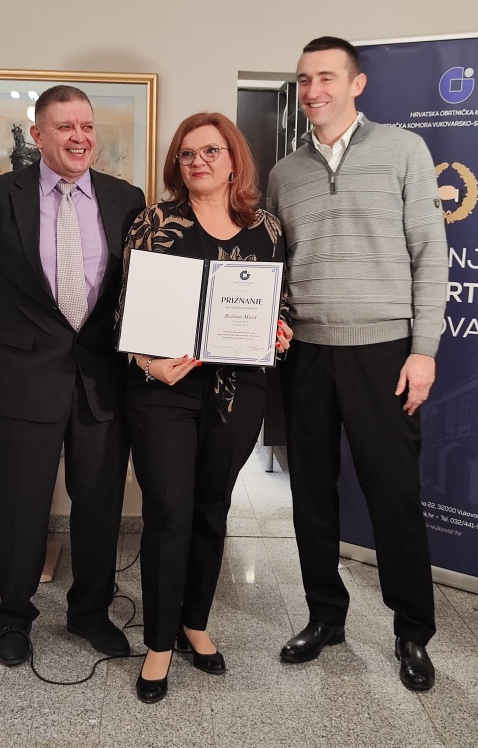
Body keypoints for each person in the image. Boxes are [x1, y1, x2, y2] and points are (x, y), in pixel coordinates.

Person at [0, 85, 145, 667]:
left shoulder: (127, 199)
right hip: (25, 380)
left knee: (99, 504)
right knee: (21, 505)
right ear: (39, 135)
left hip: (102, 381)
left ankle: (90, 612)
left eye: (87, 126)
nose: (79, 137)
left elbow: (140, 284)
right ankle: (14, 617)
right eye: (65, 127)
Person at [266, 37, 448, 691]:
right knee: (311, 497)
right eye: (304, 79)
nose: (313, 90)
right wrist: (273, 317)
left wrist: (423, 350)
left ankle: (412, 632)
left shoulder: (404, 151)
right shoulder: (284, 173)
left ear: (356, 84)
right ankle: (325, 617)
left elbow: (430, 252)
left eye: (326, 77)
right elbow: (276, 265)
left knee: (393, 497)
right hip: (308, 353)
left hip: (384, 352)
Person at [119, 112, 292, 703]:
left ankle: (195, 622)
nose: (198, 161)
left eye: (211, 151)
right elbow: (125, 308)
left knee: (212, 508)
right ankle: (159, 643)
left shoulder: (266, 228)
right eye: (187, 153)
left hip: (239, 391)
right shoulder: (154, 221)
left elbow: (278, 302)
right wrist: (147, 363)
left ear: (233, 158)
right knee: (169, 511)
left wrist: (279, 331)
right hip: (163, 390)